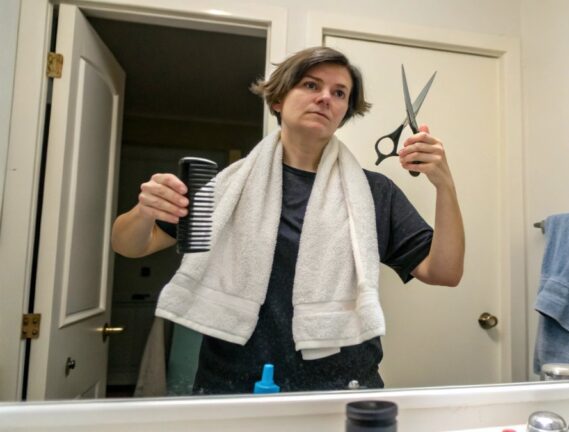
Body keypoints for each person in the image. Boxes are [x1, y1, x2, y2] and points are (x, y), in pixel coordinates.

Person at [111, 46, 464, 393]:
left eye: (339, 93)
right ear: (278, 99)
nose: (326, 97)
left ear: (344, 112)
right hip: (232, 385)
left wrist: (444, 185)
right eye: (311, 85)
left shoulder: (375, 194)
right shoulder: (227, 188)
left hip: (342, 387)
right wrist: (145, 211)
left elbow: (444, 272)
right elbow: (130, 245)